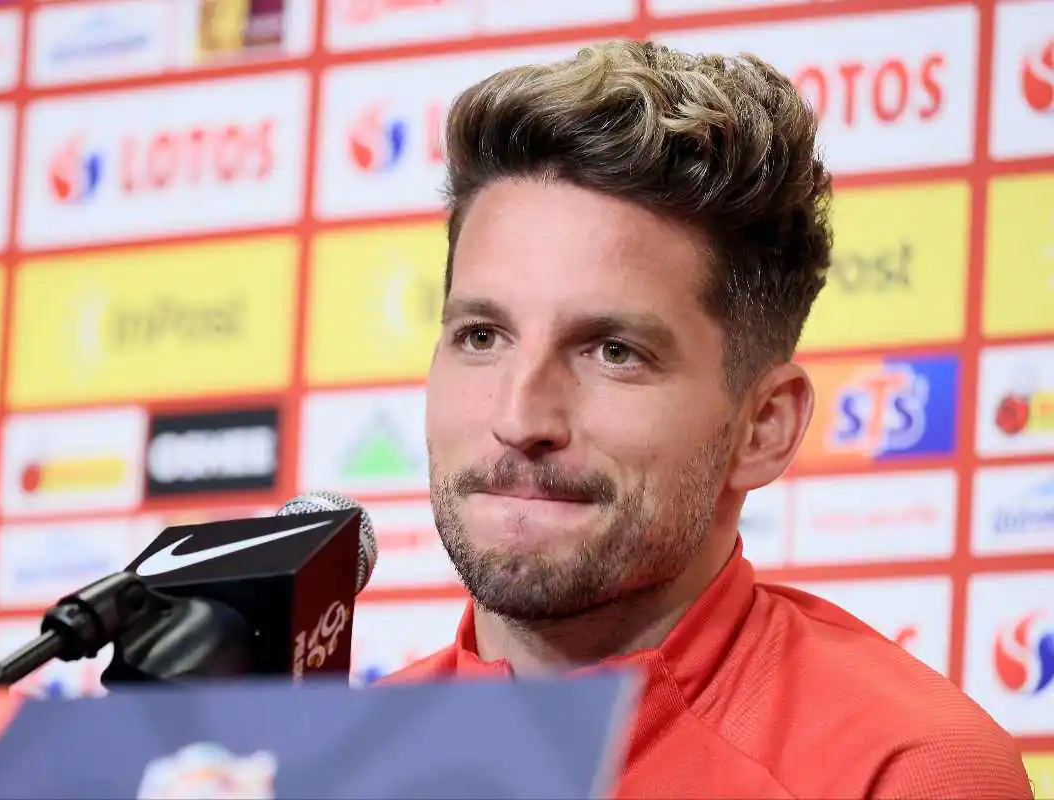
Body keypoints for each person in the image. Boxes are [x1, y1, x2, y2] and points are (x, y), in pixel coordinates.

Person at [380, 40, 1035, 799]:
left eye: (614, 352)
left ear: (764, 427)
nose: (520, 416)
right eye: (482, 337)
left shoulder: (910, 772)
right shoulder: (322, 762)